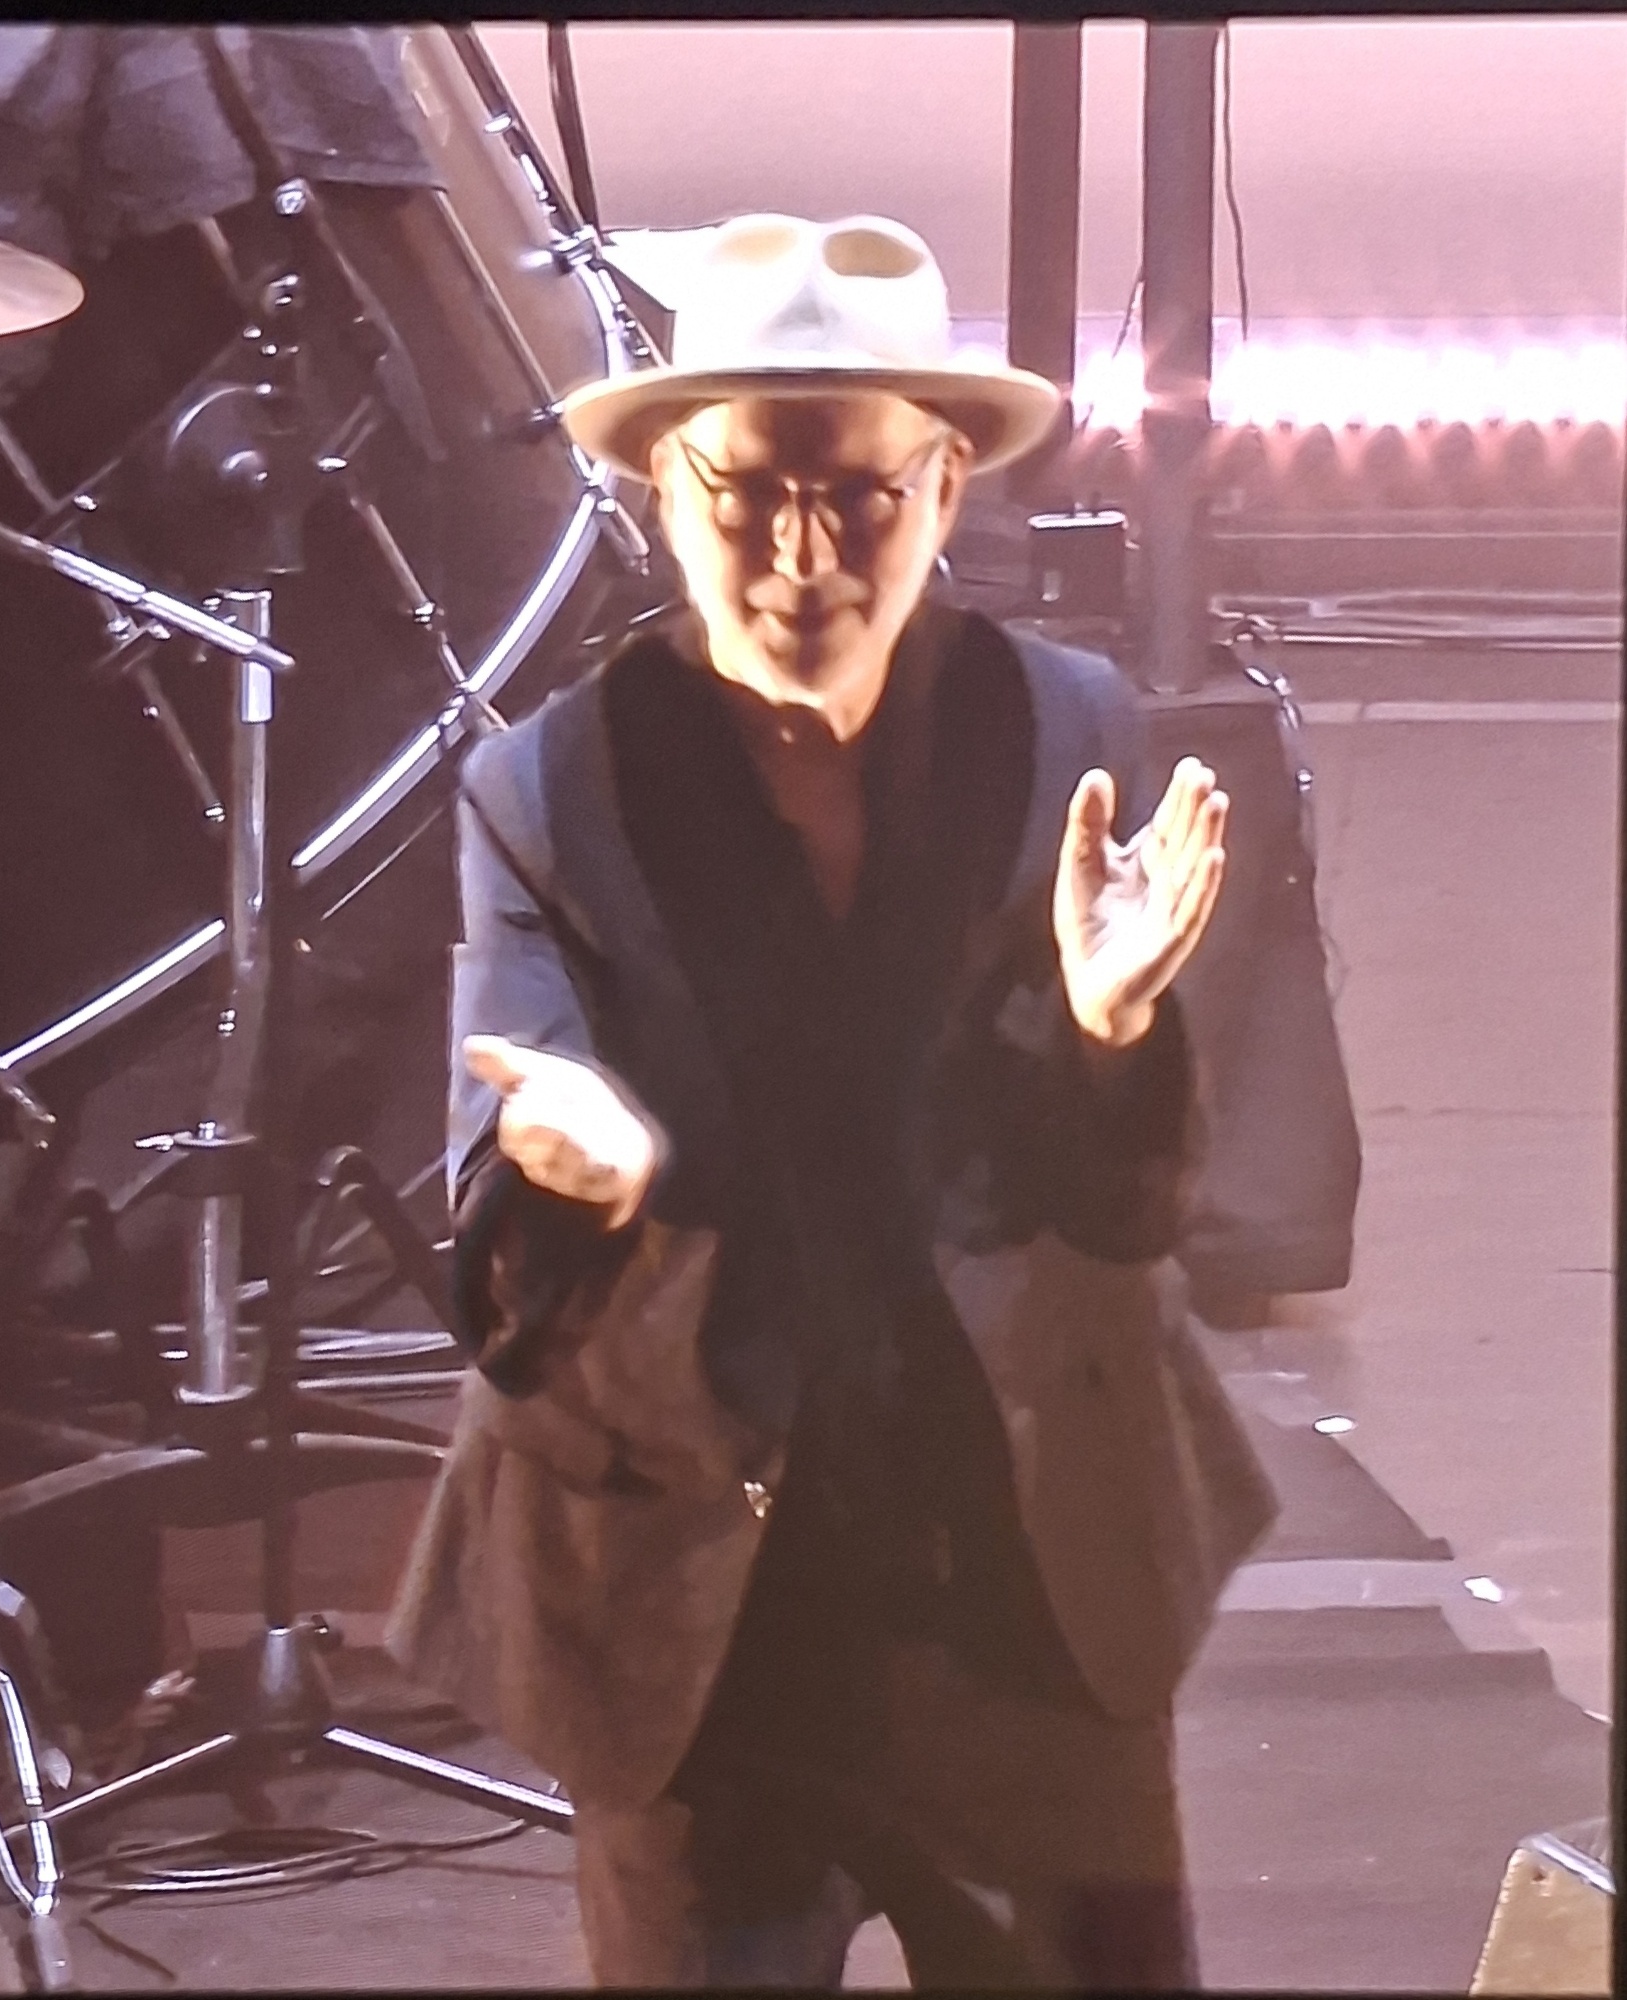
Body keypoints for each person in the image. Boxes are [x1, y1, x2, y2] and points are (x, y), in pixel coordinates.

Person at [387, 211, 1277, 1990]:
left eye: (858, 496)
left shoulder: (1073, 734)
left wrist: (1107, 1037)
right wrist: (570, 1181)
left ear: (943, 491)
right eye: (746, 495)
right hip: (689, 1602)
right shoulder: (547, 791)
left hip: (1024, 1581)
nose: (802, 557)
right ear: (664, 492)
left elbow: (1129, 1218)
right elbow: (504, 1263)